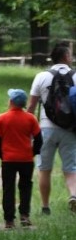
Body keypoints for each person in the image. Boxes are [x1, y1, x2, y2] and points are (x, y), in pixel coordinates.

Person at [27, 42, 76, 214]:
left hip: (45, 128)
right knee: (70, 169)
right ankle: (73, 195)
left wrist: (28, 132)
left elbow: (31, 107)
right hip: (70, 129)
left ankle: (45, 207)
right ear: (65, 57)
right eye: (70, 55)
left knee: (44, 169)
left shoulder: (41, 76)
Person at [0, 89, 42, 228]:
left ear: (11, 102)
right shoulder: (30, 118)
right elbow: (39, 139)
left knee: (8, 188)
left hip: (8, 159)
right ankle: (24, 215)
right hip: (26, 159)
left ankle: (9, 220)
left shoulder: (2, 118)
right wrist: (32, 152)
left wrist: (2, 155)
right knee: (26, 187)